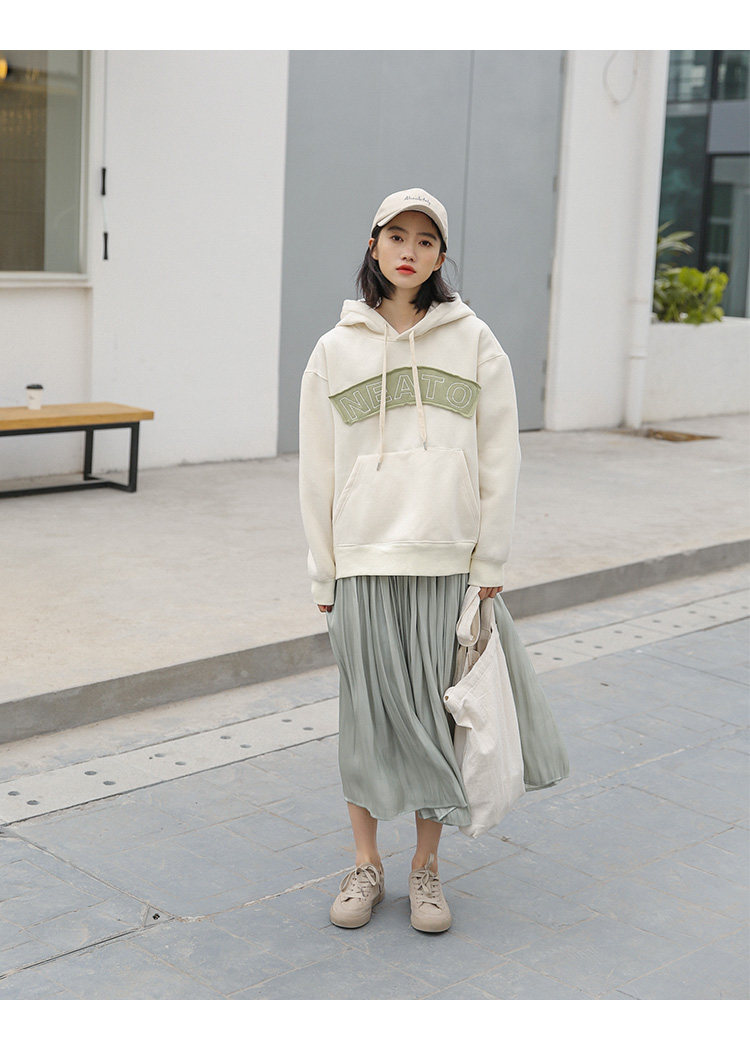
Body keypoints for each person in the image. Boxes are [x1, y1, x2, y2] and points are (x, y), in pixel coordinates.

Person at [298, 188, 567, 935]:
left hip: (446, 563)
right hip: (362, 563)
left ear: (442, 256)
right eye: (397, 236)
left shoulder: (474, 340)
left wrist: (490, 561)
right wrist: (323, 569)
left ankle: (425, 869)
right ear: (374, 246)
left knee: (432, 720)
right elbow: (316, 471)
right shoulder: (334, 350)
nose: (410, 251)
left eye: (425, 240)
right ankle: (365, 864)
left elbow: (500, 456)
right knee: (365, 719)